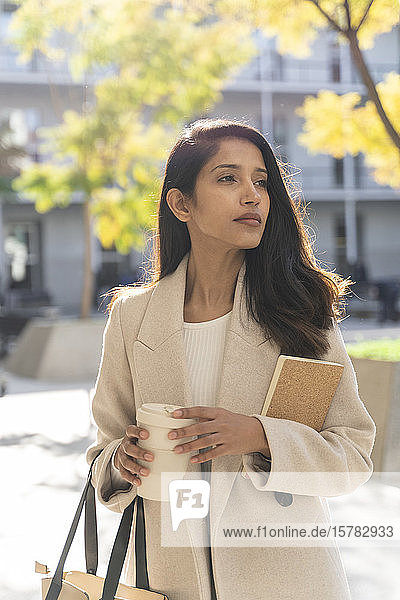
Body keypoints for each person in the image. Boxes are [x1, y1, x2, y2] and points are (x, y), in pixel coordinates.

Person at [86, 118, 376, 600]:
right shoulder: (133, 318)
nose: (252, 195)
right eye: (227, 178)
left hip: (288, 580)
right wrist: (123, 460)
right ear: (181, 203)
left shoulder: (299, 311)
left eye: (261, 181)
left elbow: (351, 452)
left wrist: (260, 436)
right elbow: (104, 456)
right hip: (169, 580)